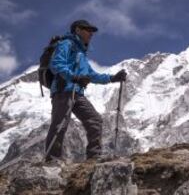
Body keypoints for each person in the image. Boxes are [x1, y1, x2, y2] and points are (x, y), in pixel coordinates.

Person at [44, 19, 127, 163]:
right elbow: (56, 64)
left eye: (92, 31)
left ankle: (93, 157)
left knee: (95, 119)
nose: (91, 33)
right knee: (60, 124)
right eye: (88, 30)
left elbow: (91, 75)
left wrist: (112, 78)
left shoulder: (81, 53)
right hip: (63, 90)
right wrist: (74, 77)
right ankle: (52, 159)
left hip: (77, 93)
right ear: (77, 30)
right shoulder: (66, 44)